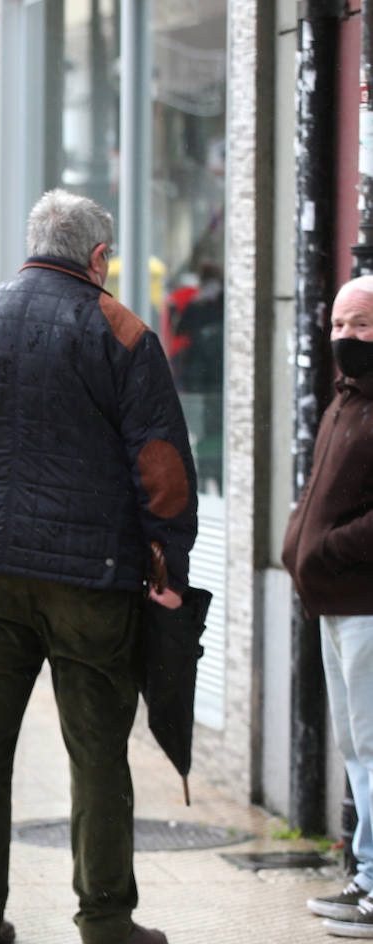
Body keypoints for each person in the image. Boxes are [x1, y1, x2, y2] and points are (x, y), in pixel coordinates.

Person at [0, 189, 197, 944]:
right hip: (91, 581)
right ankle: (106, 919)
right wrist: (166, 568)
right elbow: (162, 468)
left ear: (33, 243)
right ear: (99, 257)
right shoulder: (122, 331)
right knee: (99, 751)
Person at [283, 276, 373, 938]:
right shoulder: (346, 401)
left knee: (372, 748)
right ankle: (365, 875)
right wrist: (302, 543)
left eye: (362, 326)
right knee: (355, 747)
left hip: (364, 601)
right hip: (333, 604)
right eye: (340, 324)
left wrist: (328, 549)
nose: (346, 337)